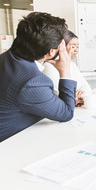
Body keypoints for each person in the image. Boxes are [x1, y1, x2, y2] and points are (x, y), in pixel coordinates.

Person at [0, 12, 76, 142]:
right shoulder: (33, 82)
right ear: (51, 51)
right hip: (10, 149)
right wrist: (65, 71)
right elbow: (66, 113)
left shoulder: (7, 57)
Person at [43, 30, 96, 106]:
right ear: (61, 47)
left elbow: (86, 88)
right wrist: (75, 96)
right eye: (73, 47)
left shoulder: (72, 65)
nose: (76, 50)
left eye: (77, 46)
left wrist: (77, 96)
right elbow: (62, 96)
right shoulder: (49, 67)